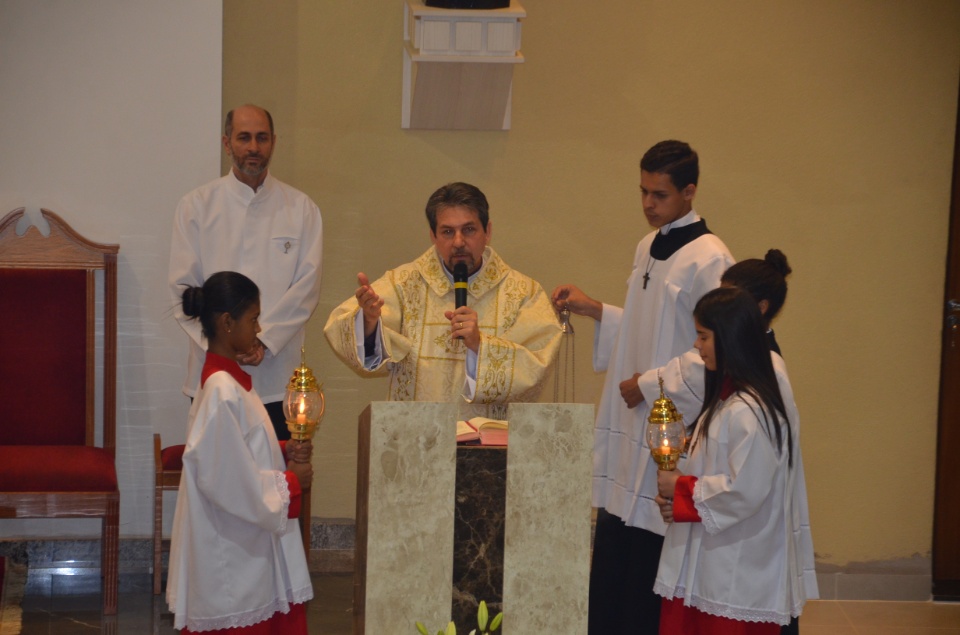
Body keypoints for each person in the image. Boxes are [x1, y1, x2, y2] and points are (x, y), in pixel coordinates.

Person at [551, 140, 734, 634]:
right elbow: (645, 326)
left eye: (660, 194)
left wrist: (650, 384)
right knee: (617, 535)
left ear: (690, 192)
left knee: (652, 543)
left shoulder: (710, 257)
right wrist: (596, 310)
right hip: (633, 413)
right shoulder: (646, 246)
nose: (649, 204)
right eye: (643, 192)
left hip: (666, 419)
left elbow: (716, 346)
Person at [324, 182, 561, 419]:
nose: (458, 242)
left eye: (468, 230)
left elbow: (537, 365)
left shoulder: (523, 293)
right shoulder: (403, 284)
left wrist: (480, 345)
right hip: (417, 437)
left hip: (489, 442)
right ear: (433, 236)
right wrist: (368, 323)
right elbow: (338, 326)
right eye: (448, 232)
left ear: (487, 232)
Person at [654, 286, 815, 633]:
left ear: (730, 339)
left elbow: (744, 490)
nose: (697, 346)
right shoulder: (725, 401)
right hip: (708, 560)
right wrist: (677, 499)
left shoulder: (750, 411)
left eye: (703, 336)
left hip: (734, 570)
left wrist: (681, 488)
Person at [167, 271, 314, 634]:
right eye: (253, 319)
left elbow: (243, 449)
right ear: (227, 323)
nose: (258, 327)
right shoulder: (220, 389)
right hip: (230, 557)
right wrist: (290, 483)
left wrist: (283, 450)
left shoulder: (231, 382)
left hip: (243, 544)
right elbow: (225, 478)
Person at [169, 104, 323, 441]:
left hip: (276, 381)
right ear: (227, 143)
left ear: (273, 143)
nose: (253, 147)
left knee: (276, 486)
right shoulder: (195, 207)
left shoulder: (301, 209)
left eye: (261, 138)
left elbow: (306, 290)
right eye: (244, 138)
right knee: (214, 484)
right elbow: (184, 290)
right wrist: (227, 345)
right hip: (212, 376)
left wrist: (262, 341)